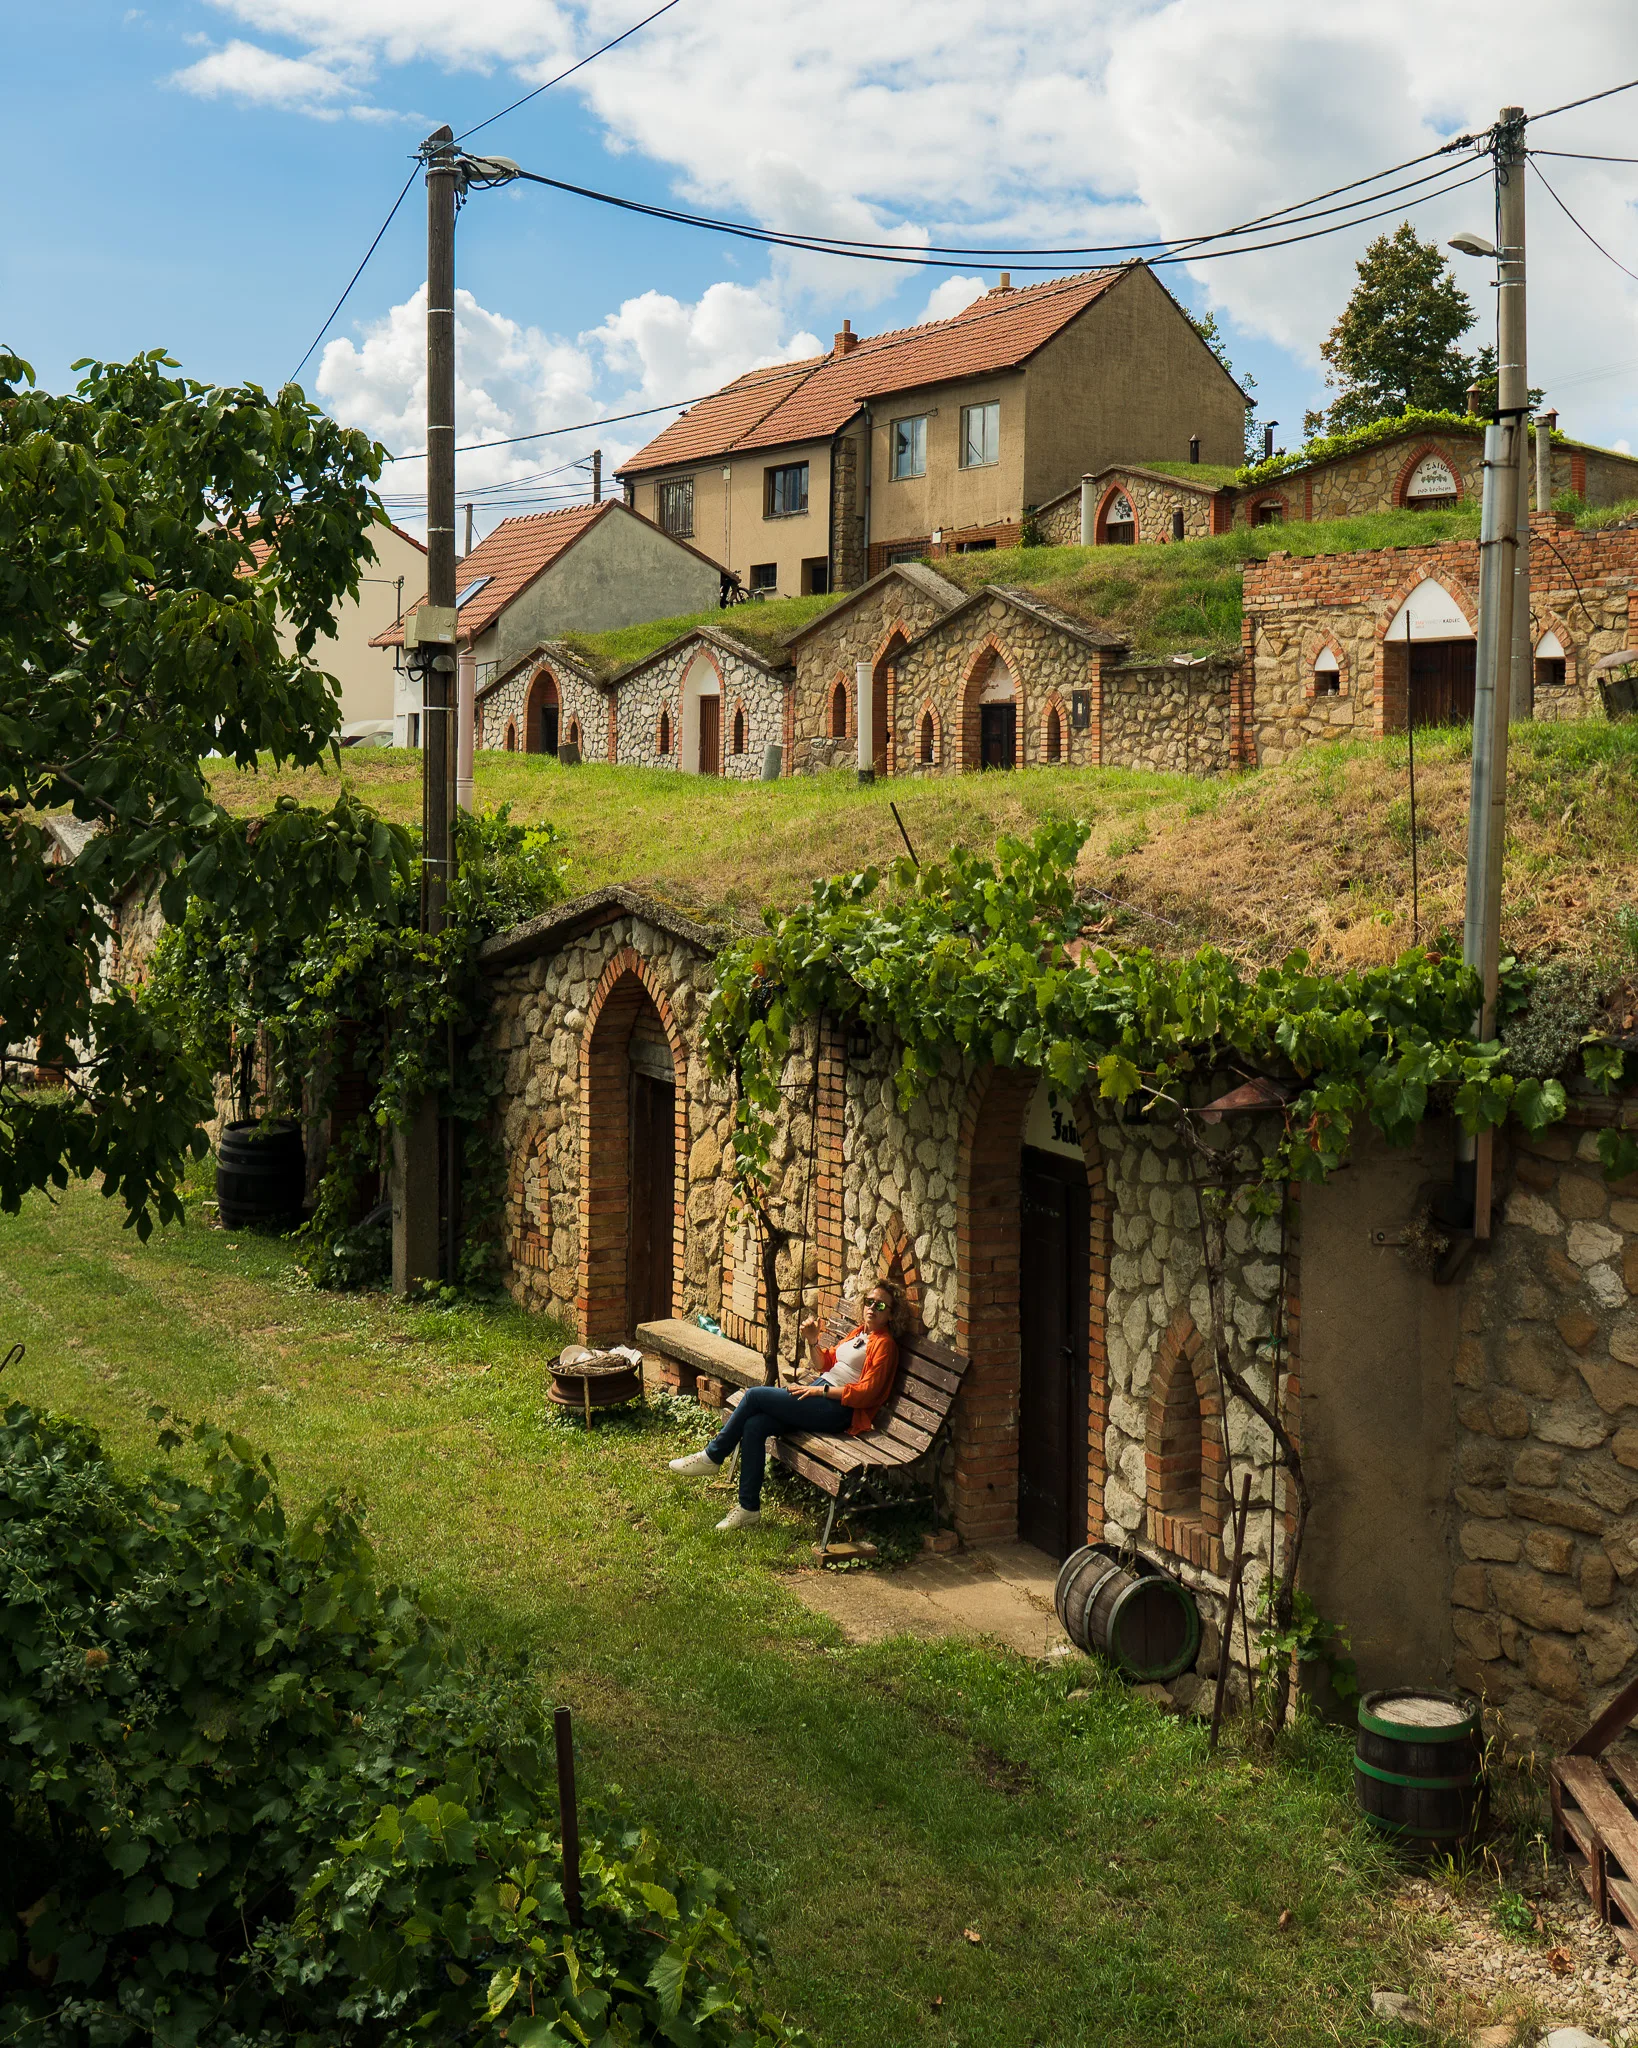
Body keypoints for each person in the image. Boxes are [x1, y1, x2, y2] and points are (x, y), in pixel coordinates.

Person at [667, 1284, 902, 1529]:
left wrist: (820, 1391)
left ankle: (712, 1455)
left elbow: (868, 1393)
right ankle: (748, 1509)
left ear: (891, 1315)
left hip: (838, 1409)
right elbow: (825, 1363)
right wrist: (812, 1342)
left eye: (881, 1305)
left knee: (754, 1396)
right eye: (869, 1300)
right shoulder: (858, 1334)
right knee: (755, 1425)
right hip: (820, 1393)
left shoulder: (885, 1344)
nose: (872, 1307)